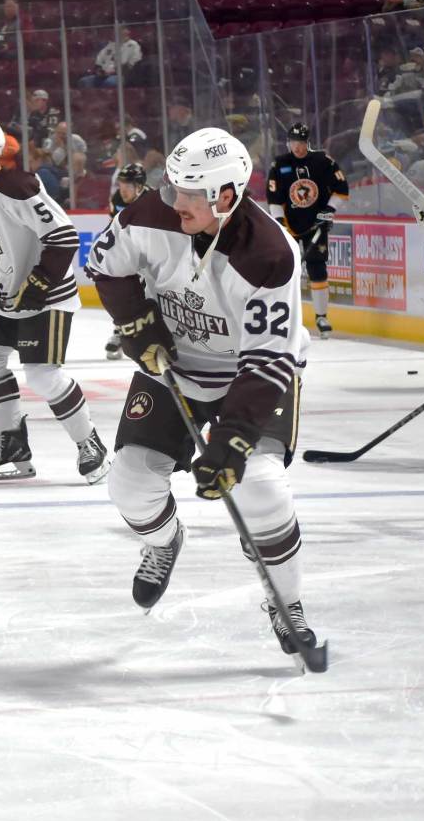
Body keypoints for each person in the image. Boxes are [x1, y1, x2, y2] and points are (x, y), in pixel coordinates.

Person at [86, 126, 318, 659]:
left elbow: (267, 360)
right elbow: (104, 265)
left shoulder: (270, 254)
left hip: (251, 374)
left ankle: (287, 600)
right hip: (174, 367)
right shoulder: (150, 215)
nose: (176, 202)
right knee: (129, 482)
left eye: (191, 193)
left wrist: (232, 441)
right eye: (174, 187)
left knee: (259, 488)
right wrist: (137, 324)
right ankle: (164, 541)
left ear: (228, 196)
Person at [0, 118, 109, 485]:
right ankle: (13, 444)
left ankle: (91, 444)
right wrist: (2, 279)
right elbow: (11, 244)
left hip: (48, 296)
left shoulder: (19, 186)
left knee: (42, 373)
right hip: (13, 295)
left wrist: (37, 284)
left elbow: (64, 237)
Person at [266, 123, 349, 340]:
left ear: (307, 143)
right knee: (287, 272)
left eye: (301, 143)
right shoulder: (280, 164)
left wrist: (329, 210)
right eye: (294, 143)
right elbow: (274, 198)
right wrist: (280, 224)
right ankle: (286, 316)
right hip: (290, 227)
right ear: (288, 143)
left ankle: (321, 317)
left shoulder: (323, 161)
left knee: (317, 269)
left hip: (316, 225)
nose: (298, 148)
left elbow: (342, 189)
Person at [103, 162, 149, 360]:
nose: (122, 190)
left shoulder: (153, 201)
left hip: (156, 256)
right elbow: (114, 228)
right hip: (130, 253)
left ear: (139, 186)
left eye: (127, 186)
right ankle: (120, 332)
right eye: (120, 185)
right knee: (124, 293)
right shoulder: (117, 199)